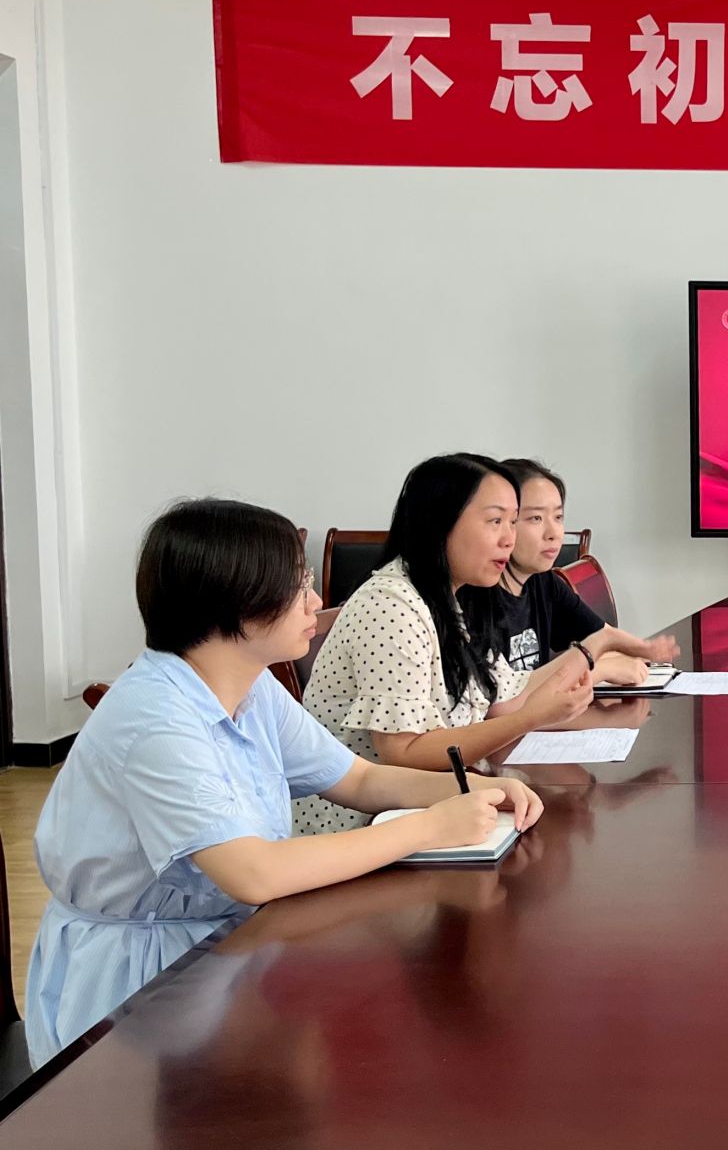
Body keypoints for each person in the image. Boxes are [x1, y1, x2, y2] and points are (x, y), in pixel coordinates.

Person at [24, 499, 544, 1066]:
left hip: (223, 950)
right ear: (235, 602)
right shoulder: (155, 716)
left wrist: (471, 790)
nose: (316, 603)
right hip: (140, 988)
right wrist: (427, 828)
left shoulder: (251, 686)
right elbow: (253, 873)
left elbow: (360, 778)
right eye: (298, 586)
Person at [295, 454, 594, 833]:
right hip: (362, 831)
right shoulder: (390, 606)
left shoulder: (451, 598)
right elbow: (403, 753)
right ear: (440, 523)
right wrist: (532, 717)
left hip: (430, 810)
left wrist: (584, 660)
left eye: (513, 521)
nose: (509, 538)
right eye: (495, 521)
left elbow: (507, 693)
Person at [484, 458, 680, 681]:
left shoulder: (543, 581)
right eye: (536, 518)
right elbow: (507, 694)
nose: (554, 533)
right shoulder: (476, 599)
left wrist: (645, 650)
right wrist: (601, 670)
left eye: (558, 517)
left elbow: (599, 635)